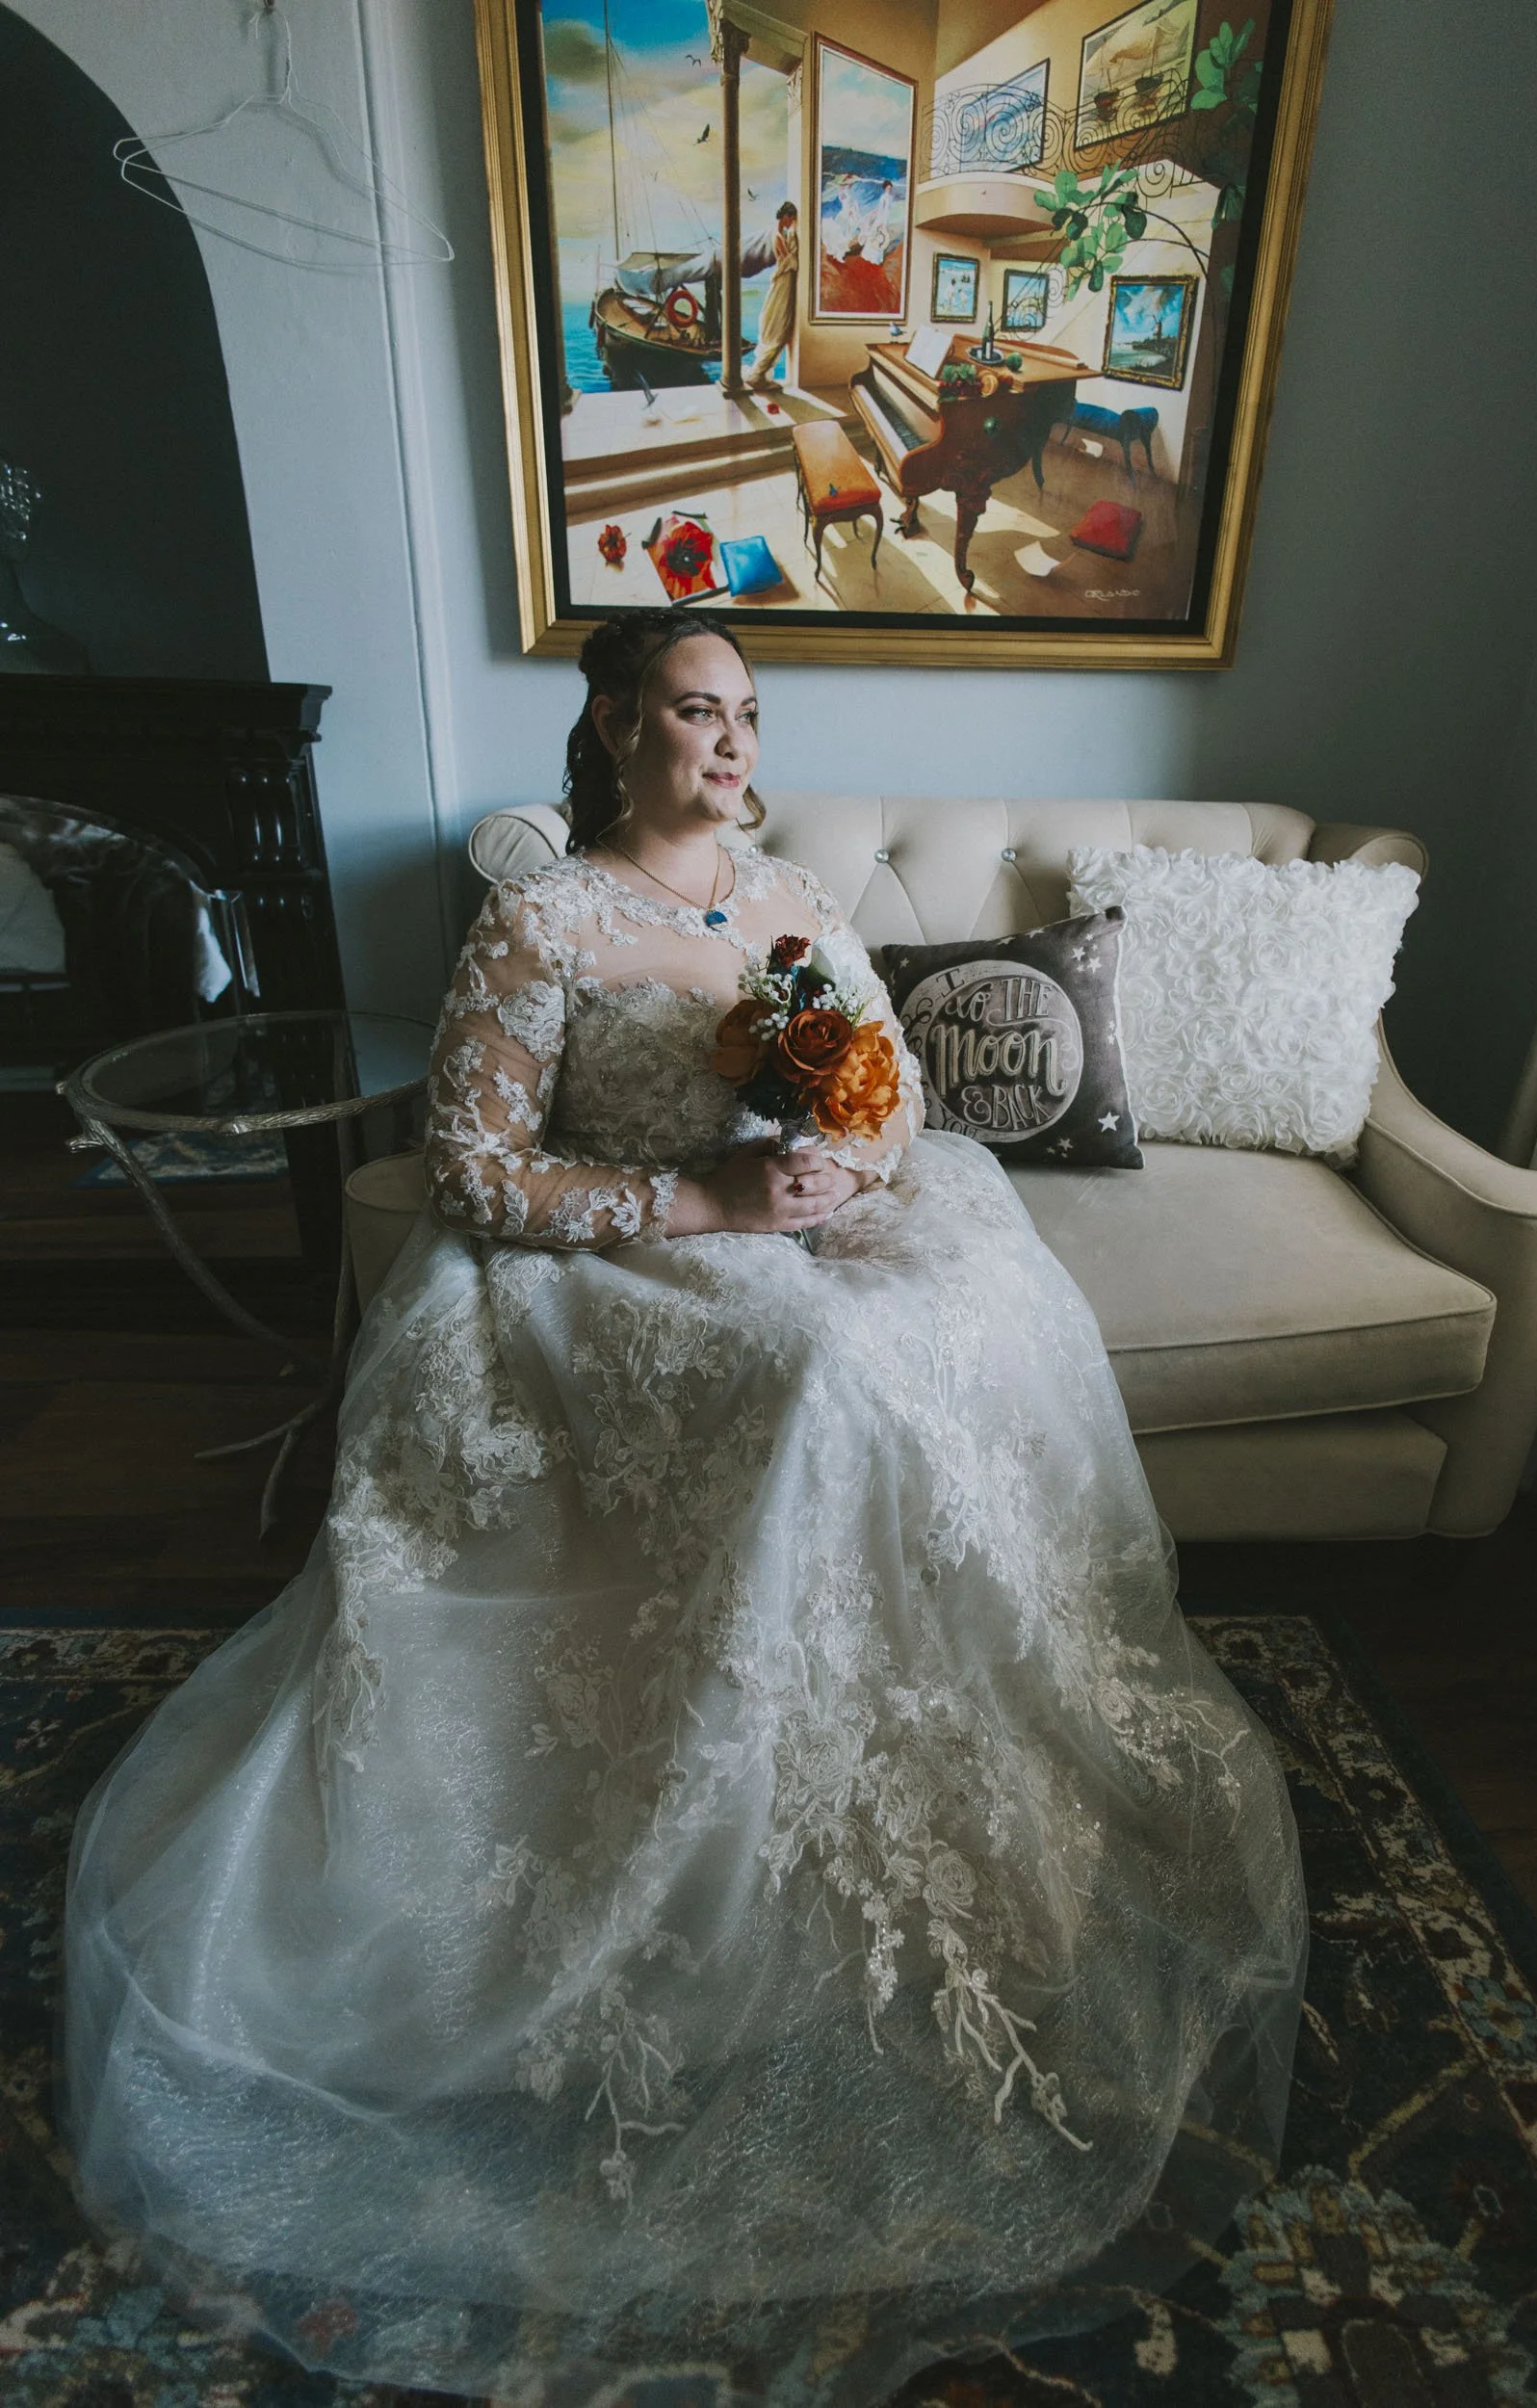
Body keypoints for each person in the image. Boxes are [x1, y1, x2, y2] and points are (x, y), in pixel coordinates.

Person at [60, 610, 1306, 2406]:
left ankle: (904, 1704)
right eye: (694, 711)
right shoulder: (544, 919)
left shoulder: (793, 900)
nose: (730, 741)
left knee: (946, 1325)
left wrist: (838, 1156)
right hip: (626, 1253)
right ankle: (718, 1749)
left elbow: (889, 1095)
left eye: (745, 714)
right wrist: (709, 1206)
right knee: (815, 1377)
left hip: (804, 1226)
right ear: (613, 728)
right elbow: (473, 1170)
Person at [748, 199, 797, 389]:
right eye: (791, 219)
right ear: (786, 216)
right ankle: (758, 375)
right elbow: (789, 261)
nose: (791, 223)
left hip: (782, 279)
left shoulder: (777, 232)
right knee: (779, 326)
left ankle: (760, 374)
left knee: (778, 323)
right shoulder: (777, 235)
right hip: (783, 280)